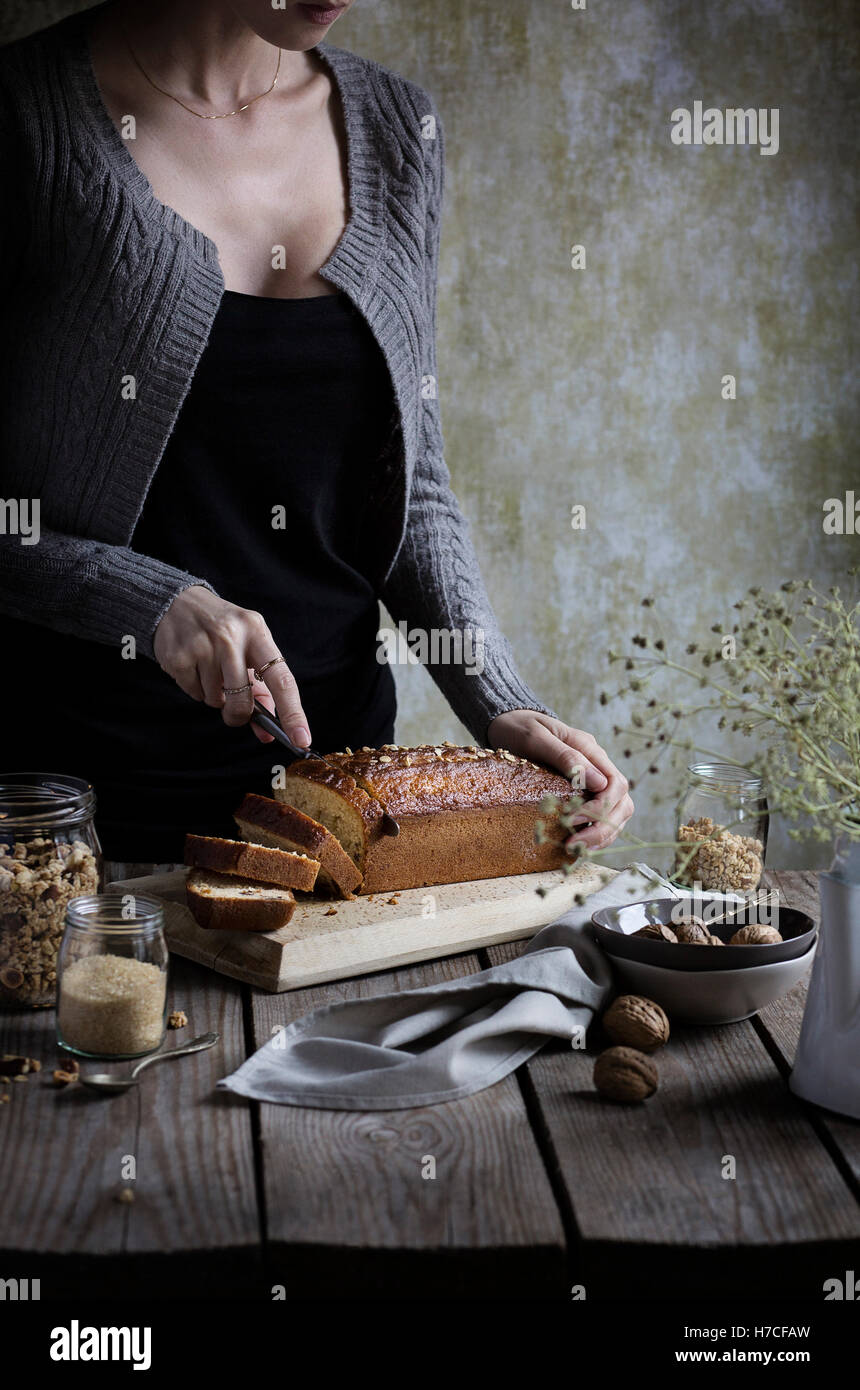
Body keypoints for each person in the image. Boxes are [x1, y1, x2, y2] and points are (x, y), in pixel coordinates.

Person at [0, 0, 633, 861]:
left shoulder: (397, 128)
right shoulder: (25, 117)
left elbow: (414, 483)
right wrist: (150, 605)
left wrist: (497, 700)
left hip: (344, 809)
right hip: (76, 828)